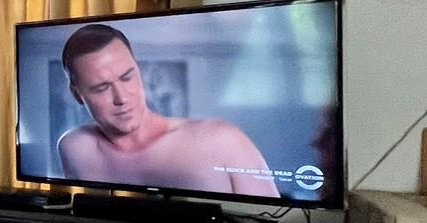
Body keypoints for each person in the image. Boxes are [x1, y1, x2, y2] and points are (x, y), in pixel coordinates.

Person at [55, 23, 281, 197]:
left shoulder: (220, 140)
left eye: (127, 77)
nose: (121, 98)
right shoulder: (75, 148)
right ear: (77, 94)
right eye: (102, 88)